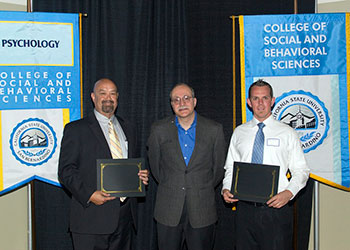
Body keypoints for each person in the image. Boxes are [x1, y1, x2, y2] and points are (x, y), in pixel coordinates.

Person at [58, 78, 149, 250]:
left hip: (124, 218)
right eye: (103, 93)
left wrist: (140, 176)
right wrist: (89, 195)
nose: (108, 97)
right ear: (93, 97)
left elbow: (130, 165)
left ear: (117, 97)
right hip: (91, 217)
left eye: (113, 93)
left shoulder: (129, 127)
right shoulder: (76, 129)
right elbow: (66, 171)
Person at [222, 79, 310, 250]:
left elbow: (301, 170)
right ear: (249, 102)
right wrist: (226, 188)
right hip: (244, 210)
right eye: (255, 98)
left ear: (273, 100)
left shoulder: (287, 133)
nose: (260, 103)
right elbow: (230, 168)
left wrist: (289, 193)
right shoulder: (239, 132)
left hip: (276, 210)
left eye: (264, 98)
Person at [147, 83, 226, 250]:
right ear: (171, 104)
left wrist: (199, 186)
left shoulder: (214, 130)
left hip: (202, 210)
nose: (181, 103)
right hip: (168, 210)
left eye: (186, 98)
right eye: (176, 100)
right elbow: (155, 167)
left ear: (194, 101)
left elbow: (218, 169)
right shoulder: (158, 130)